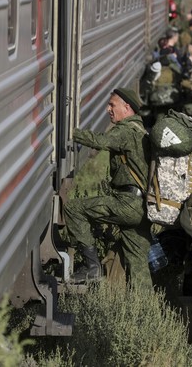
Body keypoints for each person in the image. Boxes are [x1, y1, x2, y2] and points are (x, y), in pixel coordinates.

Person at [62, 88, 152, 288]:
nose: (107, 109)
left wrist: (69, 132)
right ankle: (144, 309)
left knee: (74, 208)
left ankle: (92, 268)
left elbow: (101, 141)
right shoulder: (141, 130)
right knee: (138, 265)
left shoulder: (126, 130)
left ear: (126, 107)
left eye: (112, 105)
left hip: (127, 204)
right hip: (143, 206)